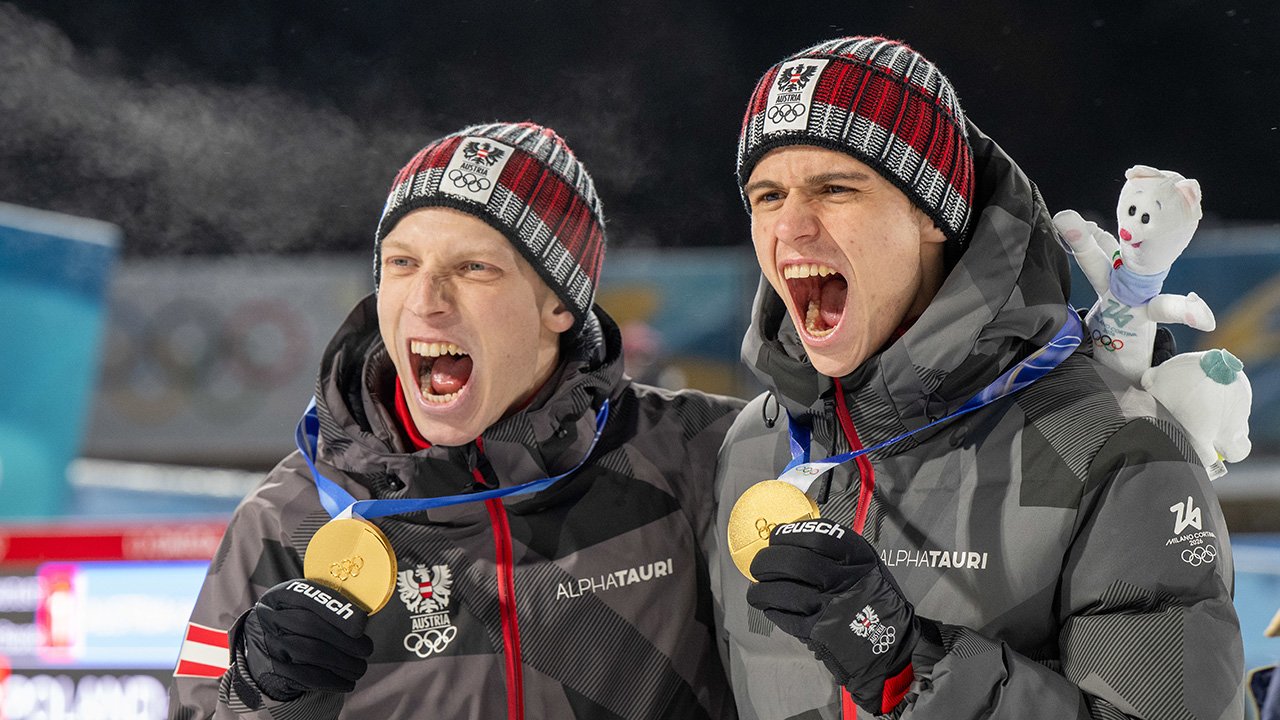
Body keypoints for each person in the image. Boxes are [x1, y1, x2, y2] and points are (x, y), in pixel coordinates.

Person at [709, 37, 1243, 719]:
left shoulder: (1113, 445)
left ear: (934, 212)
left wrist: (908, 665)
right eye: (767, 195)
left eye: (835, 188)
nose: (790, 226)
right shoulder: (755, 446)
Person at [169, 122, 743, 719]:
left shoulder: (698, 455)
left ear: (558, 304)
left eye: (474, 268)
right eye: (402, 262)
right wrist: (263, 695)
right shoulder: (291, 517)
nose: (426, 299)